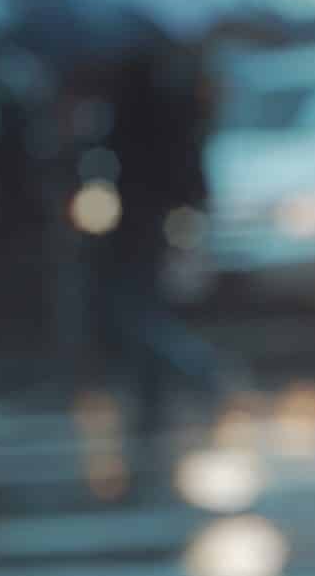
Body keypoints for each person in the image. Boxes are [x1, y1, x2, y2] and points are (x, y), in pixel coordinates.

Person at [95, 49, 222, 435]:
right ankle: (160, 383)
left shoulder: (147, 93)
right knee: (143, 300)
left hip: (141, 211)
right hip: (152, 209)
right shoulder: (170, 87)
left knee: (136, 302)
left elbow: (135, 149)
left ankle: (191, 367)